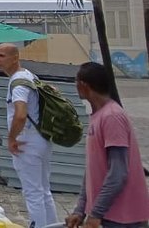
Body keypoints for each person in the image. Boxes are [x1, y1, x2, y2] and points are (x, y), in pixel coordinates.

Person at [64, 62, 149, 228]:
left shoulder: (112, 117)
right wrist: (80, 210)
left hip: (124, 217)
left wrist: (96, 214)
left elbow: (118, 172)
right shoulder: (98, 116)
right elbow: (92, 170)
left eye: (76, 81)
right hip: (108, 214)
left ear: (83, 85)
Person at [0, 43, 58, 228]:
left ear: (15, 57)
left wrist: (12, 138)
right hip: (41, 138)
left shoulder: (18, 82)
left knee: (33, 193)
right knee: (44, 191)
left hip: (27, 141)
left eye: (2, 56)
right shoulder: (29, 76)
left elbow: (20, 113)